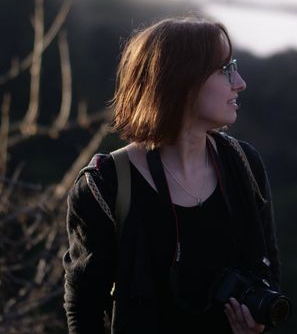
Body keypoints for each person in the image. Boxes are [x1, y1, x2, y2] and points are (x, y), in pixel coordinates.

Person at [63, 17, 281, 334]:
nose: (240, 82)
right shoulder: (104, 186)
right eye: (225, 70)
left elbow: (269, 274)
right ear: (182, 80)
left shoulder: (244, 164)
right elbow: (84, 310)